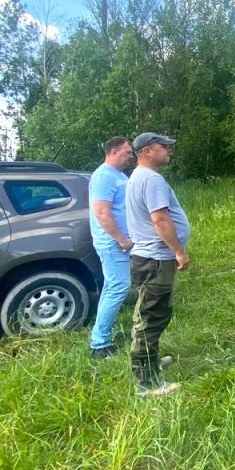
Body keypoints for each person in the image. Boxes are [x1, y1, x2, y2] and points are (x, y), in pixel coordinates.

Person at [126, 132, 191, 397]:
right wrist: (179, 251)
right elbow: (160, 220)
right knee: (149, 319)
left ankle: (151, 361)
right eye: (163, 147)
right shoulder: (151, 179)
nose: (168, 151)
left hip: (148, 257)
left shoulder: (137, 177)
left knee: (156, 313)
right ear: (147, 151)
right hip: (156, 258)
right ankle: (147, 383)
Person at [88, 136, 135, 358]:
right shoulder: (103, 176)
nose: (130, 156)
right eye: (127, 152)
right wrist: (122, 239)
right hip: (113, 243)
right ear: (114, 151)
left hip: (120, 243)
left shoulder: (118, 176)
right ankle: (99, 345)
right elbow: (101, 213)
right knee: (119, 287)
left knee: (113, 287)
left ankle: (102, 336)